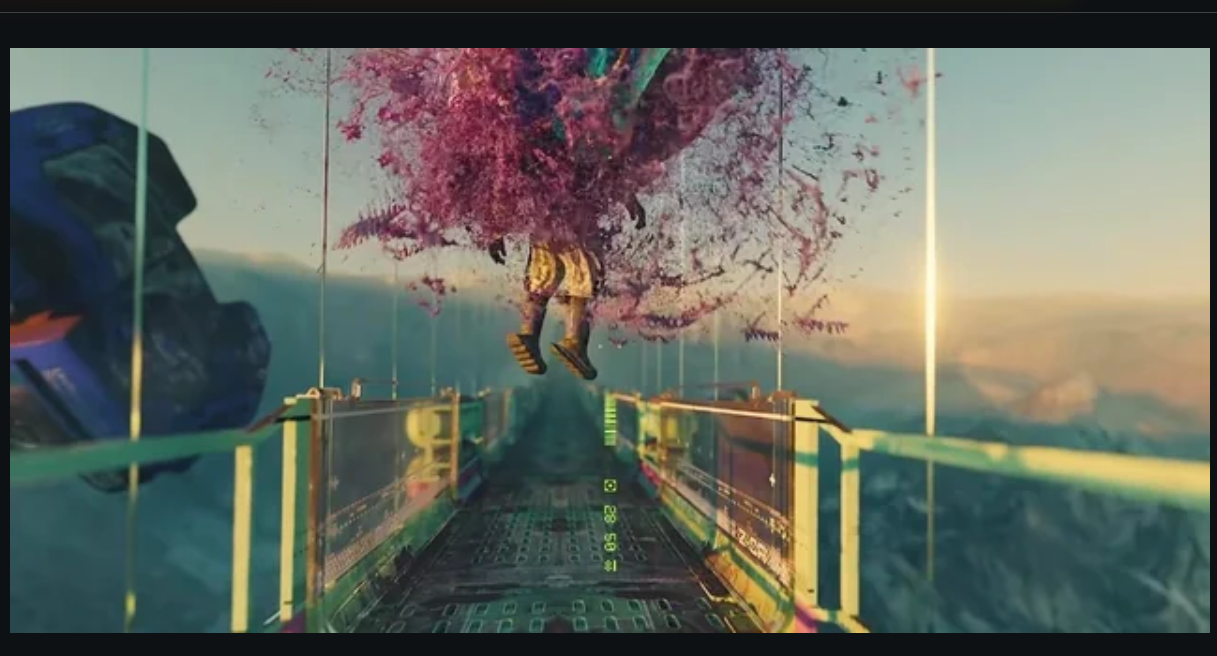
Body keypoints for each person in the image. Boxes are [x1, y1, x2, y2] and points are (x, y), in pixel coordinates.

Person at [491, 195, 645, 381]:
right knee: (584, 280)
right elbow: (609, 176)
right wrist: (630, 199)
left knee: (541, 278)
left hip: (542, 219)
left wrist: (496, 232)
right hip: (578, 218)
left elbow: (511, 185)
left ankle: (529, 333)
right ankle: (574, 342)